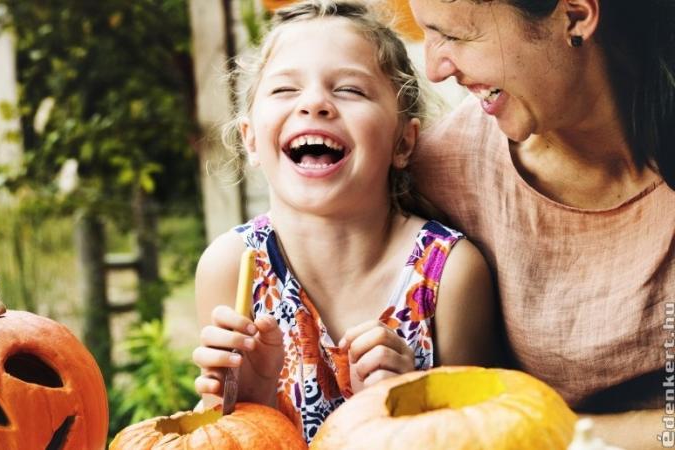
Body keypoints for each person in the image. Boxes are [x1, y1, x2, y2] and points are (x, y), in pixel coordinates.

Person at [191, 0, 499, 443]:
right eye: (284, 90)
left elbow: (483, 436)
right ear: (251, 140)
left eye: (351, 90)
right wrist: (251, 404)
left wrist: (406, 404)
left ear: (403, 142)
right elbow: (222, 435)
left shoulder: (448, 275)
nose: (315, 103)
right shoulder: (232, 266)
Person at [407, 0, 675, 448]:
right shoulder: (444, 174)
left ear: (574, 16)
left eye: (454, 36)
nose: (434, 69)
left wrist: (548, 436)